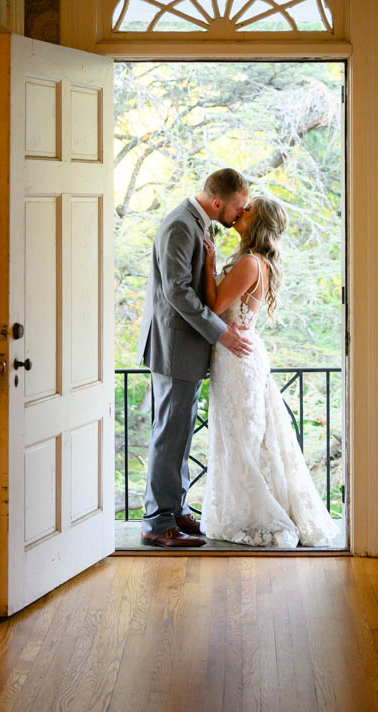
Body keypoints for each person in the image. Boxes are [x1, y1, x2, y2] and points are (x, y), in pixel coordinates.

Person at [199, 195, 336, 548]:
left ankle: (256, 515)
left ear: (257, 224)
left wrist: (209, 262)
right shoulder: (257, 261)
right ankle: (249, 507)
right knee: (247, 436)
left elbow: (215, 305)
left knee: (241, 439)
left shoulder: (249, 263)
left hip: (236, 357)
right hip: (239, 352)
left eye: (248, 211)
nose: (241, 212)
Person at [137, 168, 254, 547]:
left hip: (187, 346)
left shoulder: (198, 223)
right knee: (169, 435)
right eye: (238, 207)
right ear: (218, 202)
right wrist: (221, 333)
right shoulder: (180, 225)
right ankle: (157, 524)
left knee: (181, 432)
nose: (240, 214)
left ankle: (176, 508)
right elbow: (177, 292)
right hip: (174, 347)